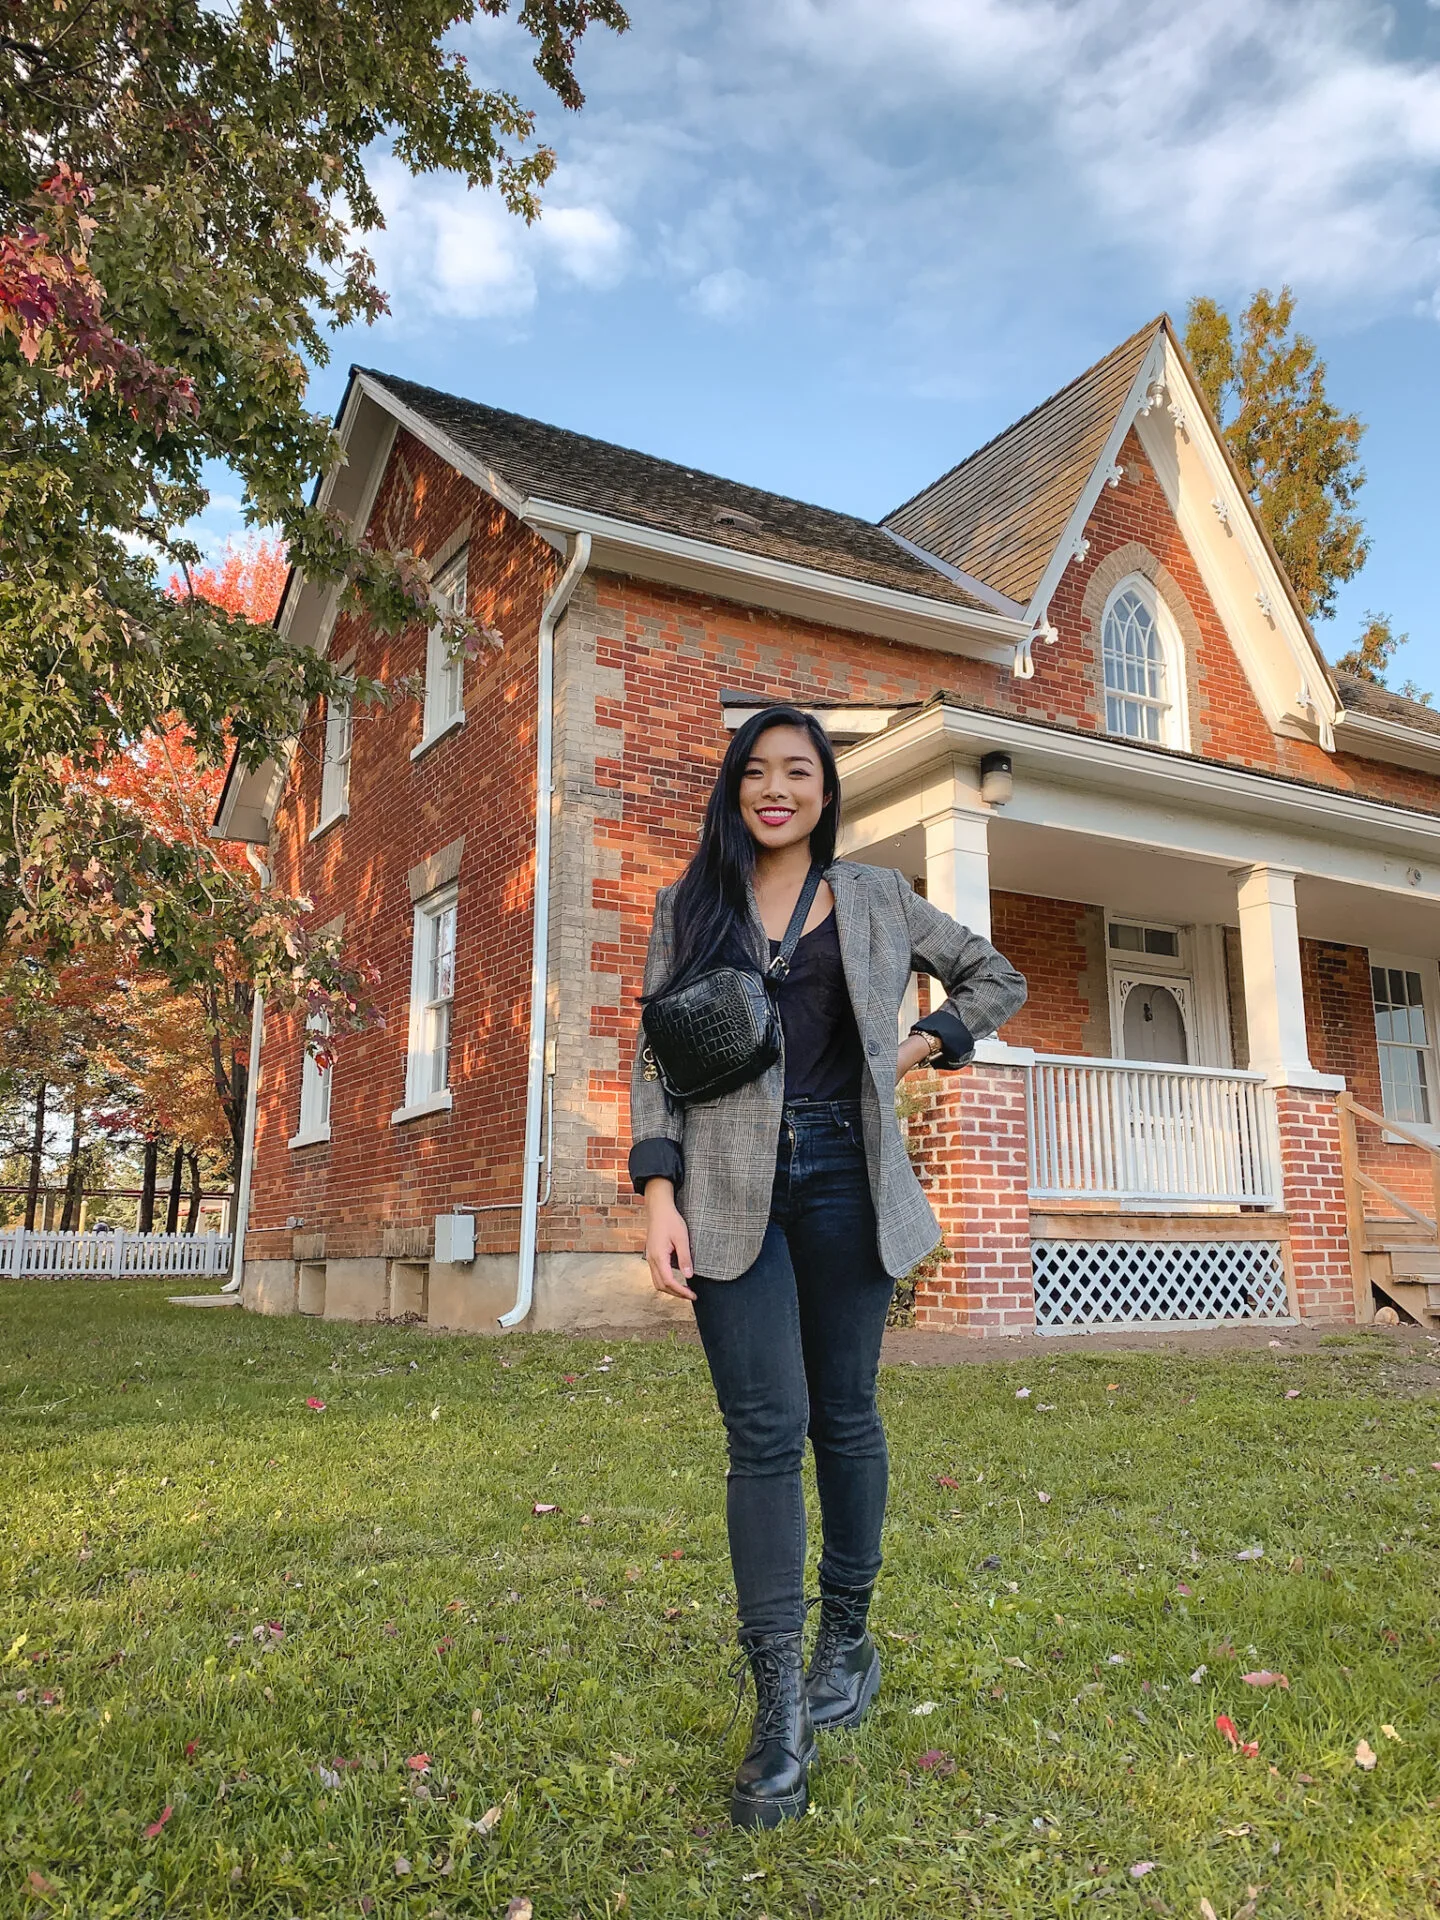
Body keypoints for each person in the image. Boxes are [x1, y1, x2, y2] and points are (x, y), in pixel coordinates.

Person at [628, 704, 1027, 1828]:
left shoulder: (875, 900)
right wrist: (657, 1192)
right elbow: (654, 1060)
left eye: (798, 772)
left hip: (849, 1180)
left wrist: (924, 1042)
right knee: (762, 1433)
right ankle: (777, 1706)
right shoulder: (687, 905)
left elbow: (993, 977)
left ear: (824, 791)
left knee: (842, 1419)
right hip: (723, 1188)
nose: (776, 789)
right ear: (735, 788)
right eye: (757, 771)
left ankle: (845, 1644)